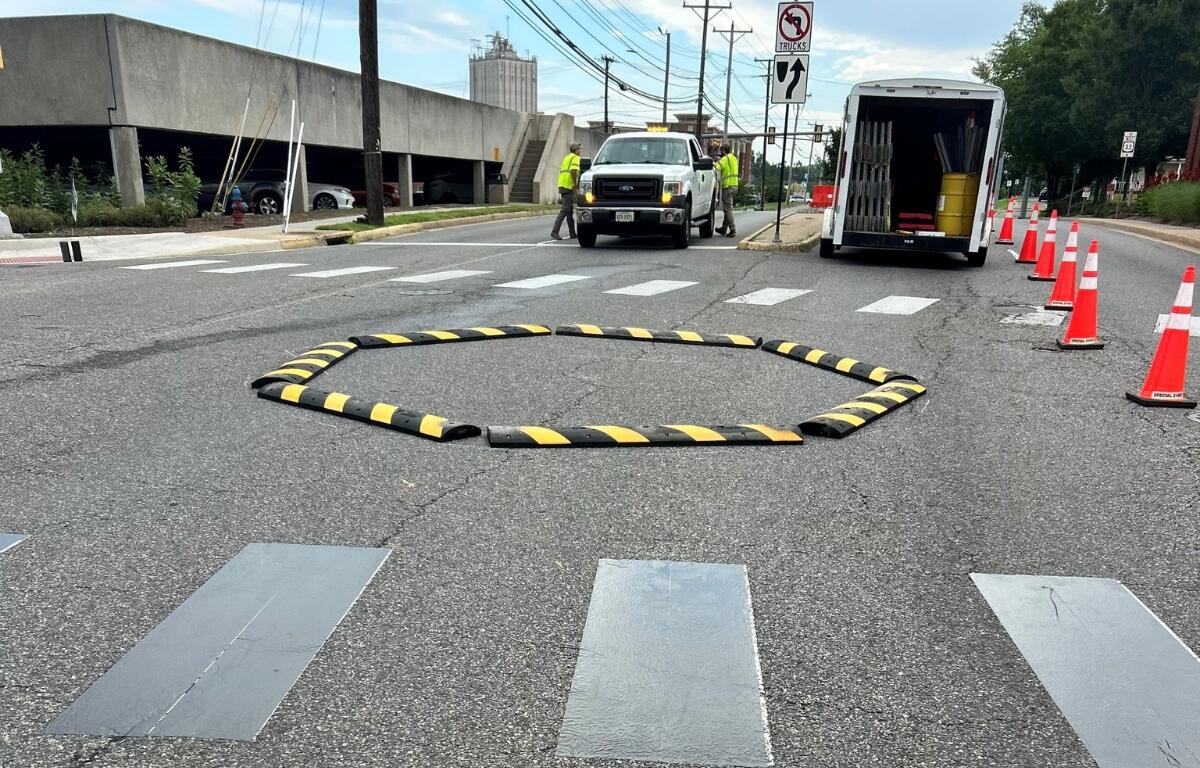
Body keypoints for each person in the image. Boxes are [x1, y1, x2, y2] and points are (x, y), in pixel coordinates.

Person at [551, 142, 582, 240]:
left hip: (562, 184)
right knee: (565, 210)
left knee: (569, 211)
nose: (580, 151)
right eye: (579, 149)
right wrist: (575, 185)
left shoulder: (567, 157)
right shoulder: (576, 158)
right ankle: (554, 232)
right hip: (569, 186)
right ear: (575, 150)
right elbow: (573, 171)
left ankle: (572, 233)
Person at [715, 144, 739, 237]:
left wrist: (713, 161)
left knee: (728, 209)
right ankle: (724, 228)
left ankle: (733, 229)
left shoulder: (725, 159)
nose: (721, 153)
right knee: (727, 208)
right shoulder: (733, 158)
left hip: (727, 186)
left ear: (724, 150)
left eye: (721, 151)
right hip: (734, 185)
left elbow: (717, 167)